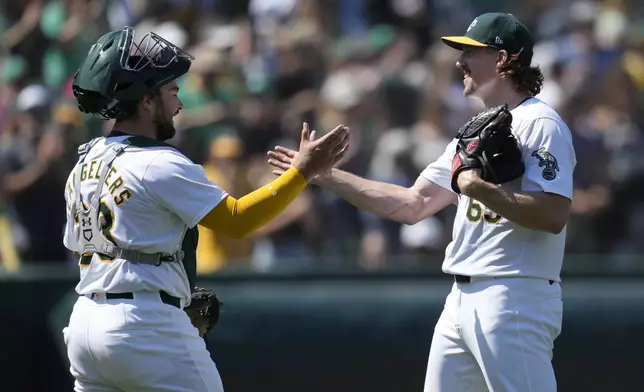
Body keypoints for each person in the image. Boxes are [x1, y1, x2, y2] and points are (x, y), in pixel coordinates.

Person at [268, 13, 575, 392]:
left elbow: (554, 214)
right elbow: (411, 204)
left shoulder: (541, 123)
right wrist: (322, 175)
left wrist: (475, 188)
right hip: (461, 297)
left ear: (502, 59)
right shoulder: (476, 129)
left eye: (471, 52)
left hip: (514, 294)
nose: (459, 61)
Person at [62, 27, 349, 392]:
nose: (179, 104)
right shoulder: (158, 161)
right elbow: (237, 219)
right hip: (143, 325)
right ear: (147, 101)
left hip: (86, 324)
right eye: (172, 91)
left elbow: (80, 247)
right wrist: (302, 172)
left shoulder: (85, 162)